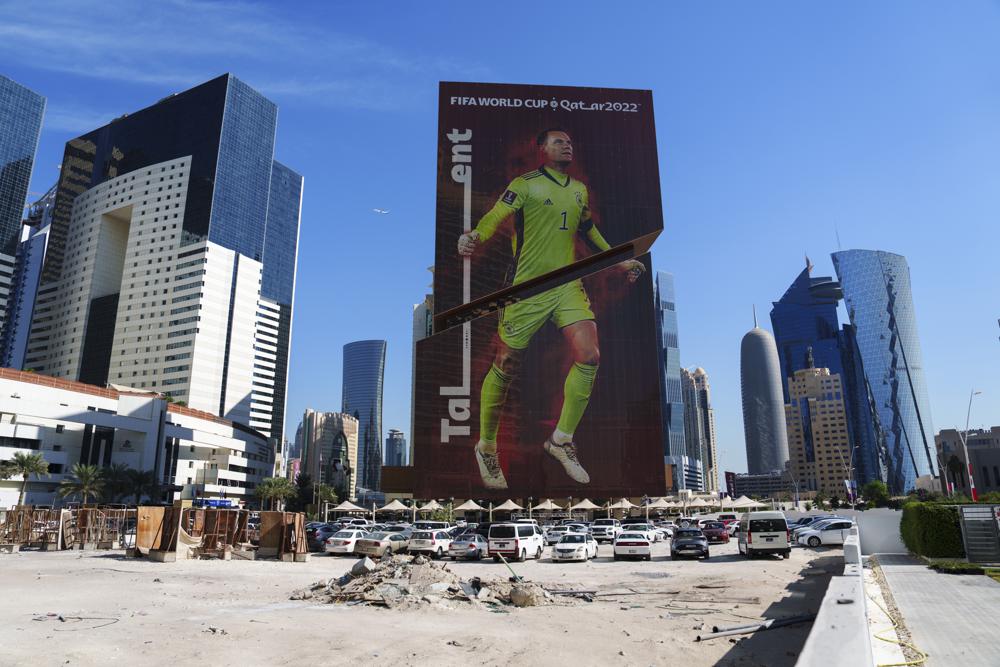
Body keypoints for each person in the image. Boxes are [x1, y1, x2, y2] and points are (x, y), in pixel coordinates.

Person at [457, 128, 644, 490]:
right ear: (541, 149)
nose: (567, 145)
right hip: (526, 288)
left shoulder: (578, 190)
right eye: (558, 141)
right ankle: (487, 446)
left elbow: (590, 232)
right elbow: (496, 215)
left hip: (567, 286)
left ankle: (560, 440)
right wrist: (475, 235)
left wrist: (621, 261)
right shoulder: (525, 184)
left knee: (589, 355)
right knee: (506, 365)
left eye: (570, 141)